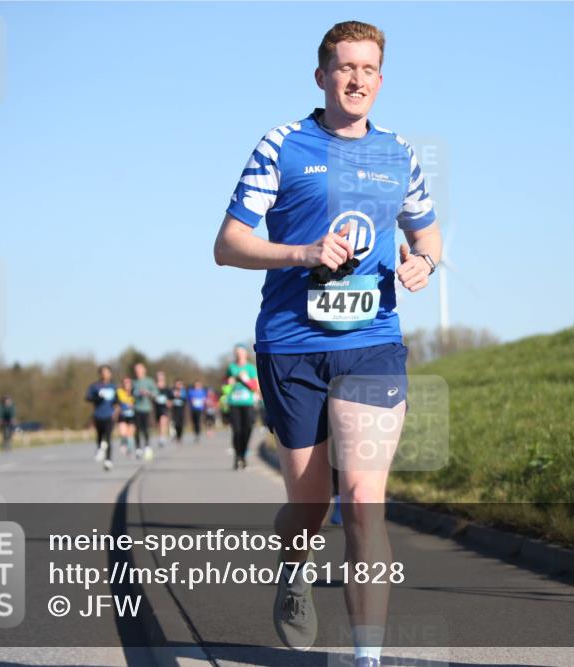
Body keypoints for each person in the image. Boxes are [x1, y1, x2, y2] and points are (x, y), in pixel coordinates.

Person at [214, 20, 441, 667]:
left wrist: (424, 261)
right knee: (310, 506)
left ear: (381, 78)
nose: (357, 79)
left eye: (369, 69)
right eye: (345, 67)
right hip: (292, 347)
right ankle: (293, 564)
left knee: (364, 500)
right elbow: (227, 244)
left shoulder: (400, 154)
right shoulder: (283, 145)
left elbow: (428, 235)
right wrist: (302, 252)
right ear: (322, 76)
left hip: (373, 342)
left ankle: (366, 656)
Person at [225, 344, 259, 469]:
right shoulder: (231, 367)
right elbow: (225, 386)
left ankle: (243, 454)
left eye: (241, 352)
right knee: (236, 430)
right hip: (234, 403)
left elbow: (256, 387)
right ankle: (238, 456)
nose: (239, 355)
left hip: (247, 403)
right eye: (237, 353)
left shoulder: (250, 368)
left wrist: (245, 379)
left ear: (246, 354)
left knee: (247, 429)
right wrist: (230, 382)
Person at [85, 364, 118, 471]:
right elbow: (88, 398)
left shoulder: (114, 387)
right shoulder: (95, 386)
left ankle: (108, 460)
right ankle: (99, 447)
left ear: (110, 374)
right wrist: (97, 396)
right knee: (99, 436)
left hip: (110, 415)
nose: (105, 374)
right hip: (98, 415)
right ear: (100, 374)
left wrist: (117, 412)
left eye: (107, 372)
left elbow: (118, 401)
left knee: (108, 437)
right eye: (103, 372)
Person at [132, 362, 157, 460]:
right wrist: (137, 393)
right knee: (137, 428)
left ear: (144, 370)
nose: (138, 372)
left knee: (146, 428)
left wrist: (148, 393)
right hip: (136, 408)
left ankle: (147, 446)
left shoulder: (149, 381)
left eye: (139, 370)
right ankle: (138, 448)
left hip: (146, 408)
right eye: (136, 370)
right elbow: (130, 393)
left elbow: (155, 393)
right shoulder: (134, 382)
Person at [116, 376, 137, 456]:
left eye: (128, 382)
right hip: (122, 415)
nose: (126, 384)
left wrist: (133, 405)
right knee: (123, 433)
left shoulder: (134, 392)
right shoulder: (119, 392)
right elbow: (115, 402)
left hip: (132, 415)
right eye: (124, 382)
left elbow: (138, 402)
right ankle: (123, 443)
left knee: (130, 434)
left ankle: (129, 448)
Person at [171, 379, 187, 444]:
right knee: (175, 424)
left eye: (179, 384)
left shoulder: (183, 391)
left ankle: (179, 437)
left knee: (180, 424)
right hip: (174, 410)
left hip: (181, 410)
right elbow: (169, 399)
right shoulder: (172, 391)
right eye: (177, 384)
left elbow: (185, 399)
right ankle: (176, 435)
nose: (178, 385)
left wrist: (179, 395)